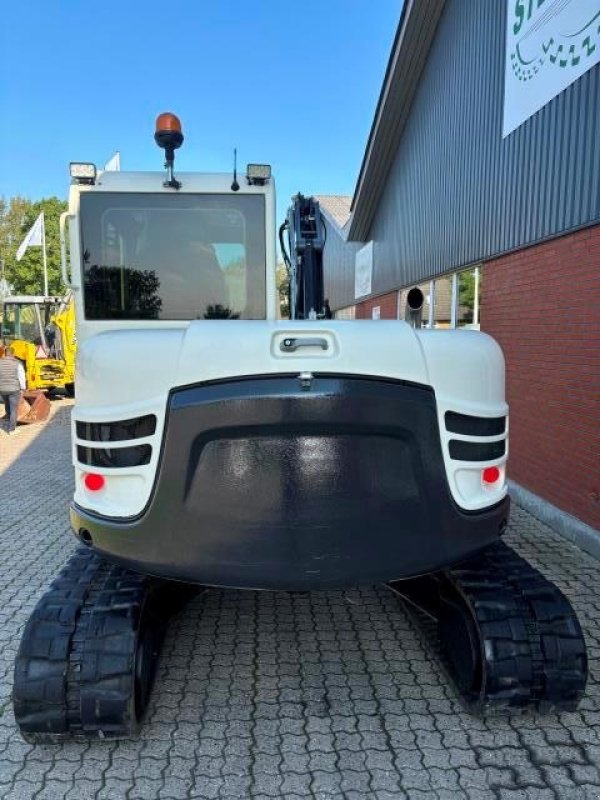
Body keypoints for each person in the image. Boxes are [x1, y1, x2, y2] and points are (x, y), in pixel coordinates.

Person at [0, 345, 26, 435]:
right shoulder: (17, 363)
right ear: (13, 354)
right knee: (14, 409)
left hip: (2, 389)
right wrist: (23, 388)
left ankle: (7, 421)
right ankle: (12, 429)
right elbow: (21, 376)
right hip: (14, 389)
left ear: (5, 353)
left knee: (7, 405)